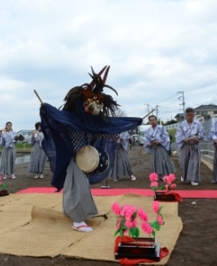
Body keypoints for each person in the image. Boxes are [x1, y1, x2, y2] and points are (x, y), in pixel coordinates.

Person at [40, 65, 142, 232]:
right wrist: (47, 109)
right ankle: (77, 220)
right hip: (73, 158)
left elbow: (109, 127)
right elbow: (57, 117)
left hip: (85, 159)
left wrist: (133, 122)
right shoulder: (70, 119)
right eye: (89, 103)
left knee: (78, 187)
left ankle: (74, 213)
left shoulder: (92, 123)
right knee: (77, 187)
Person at [175, 107, 207, 185]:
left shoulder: (198, 124)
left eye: (191, 115)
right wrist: (184, 139)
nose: (189, 117)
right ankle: (184, 175)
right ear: (185, 116)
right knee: (183, 162)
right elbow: (179, 135)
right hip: (185, 145)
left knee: (195, 162)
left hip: (194, 145)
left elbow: (202, 133)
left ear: (193, 115)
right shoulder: (181, 124)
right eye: (188, 115)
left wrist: (197, 137)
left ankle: (194, 179)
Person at [143, 115, 176, 180]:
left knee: (164, 160)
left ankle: (165, 175)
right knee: (155, 161)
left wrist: (160, 141)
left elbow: (166, 137)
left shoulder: (161, 128)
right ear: (149, 122)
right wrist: (149, 143)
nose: (152, 121)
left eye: (154, 120)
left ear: (156, 120)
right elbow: (146, 139)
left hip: (161, 147)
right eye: (151, 120)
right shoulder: (148, 130)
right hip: (154, 148)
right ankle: (157, 175)